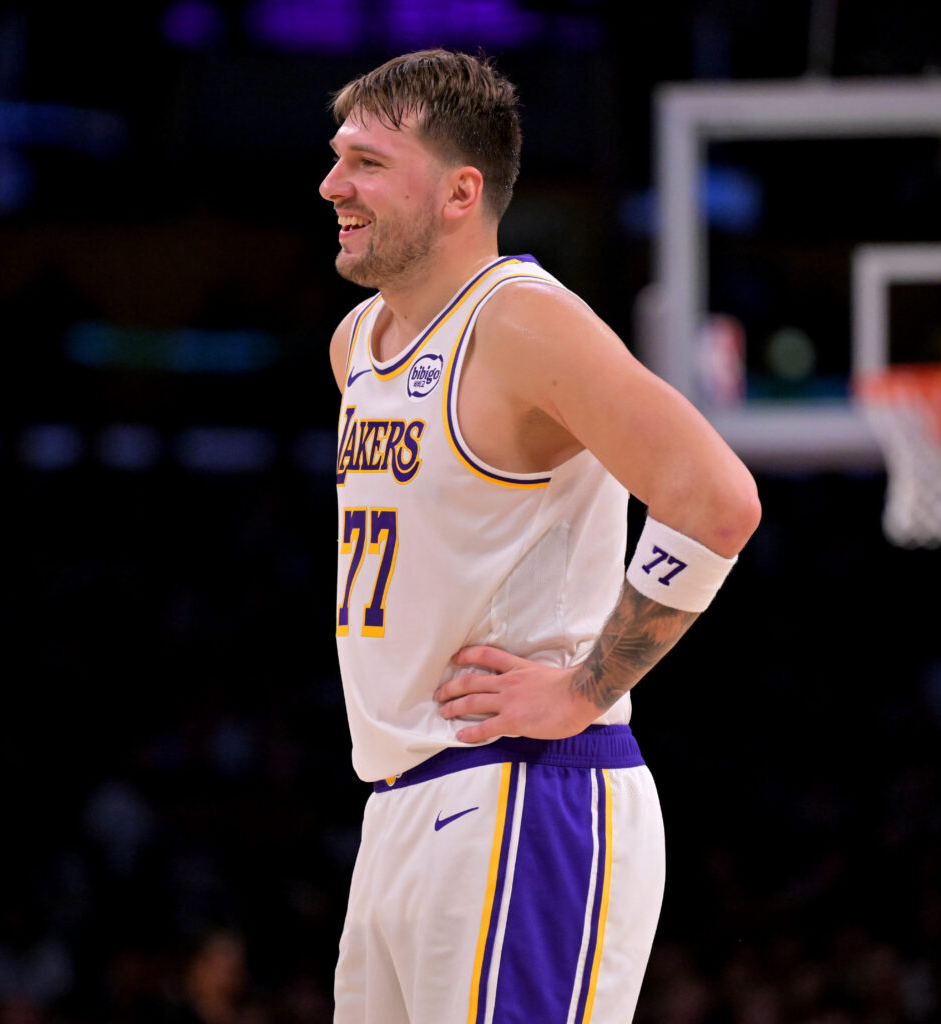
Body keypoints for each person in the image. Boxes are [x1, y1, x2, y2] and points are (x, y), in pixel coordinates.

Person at [319, 49, 761, 1024]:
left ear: (458, 191)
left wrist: (586, 685)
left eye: (366, 163)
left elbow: (715, 497)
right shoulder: (358, 344)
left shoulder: (521, 322)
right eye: (337, 157)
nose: (331, 184)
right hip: (398, 800)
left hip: (523, 793)